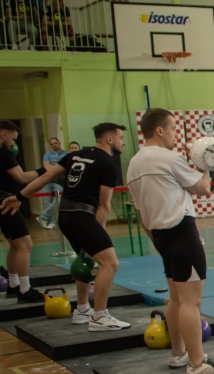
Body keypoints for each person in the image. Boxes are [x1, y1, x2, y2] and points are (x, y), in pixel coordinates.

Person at [127, 109, 214, 374]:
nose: (176, 134)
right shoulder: (168, 158)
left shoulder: (134, 163)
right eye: (173, 128)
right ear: (160, 130)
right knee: (191, 301)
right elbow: (204, 188)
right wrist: (203, 161)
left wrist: (158, 241)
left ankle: (179, 353)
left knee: (175, 297)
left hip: (160, 235)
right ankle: (197, 364)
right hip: (181, 232)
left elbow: (140, 212)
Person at [6, 125, 128, 329]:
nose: (123, 142)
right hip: (83, 217)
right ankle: (99, 316)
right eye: (120, 137)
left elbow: (45, 177)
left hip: (65, 216)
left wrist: (19, 197)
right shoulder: (107, 163)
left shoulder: (75, 155)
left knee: (86, 259)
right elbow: (104, 205)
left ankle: (82, 310)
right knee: (110, 263)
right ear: (109, 139)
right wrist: (98, 235)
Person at [0, 120, 43, 302]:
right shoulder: (3, 153)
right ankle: (25, 290)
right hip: (5, 203)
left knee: (15, 245)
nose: (13, 143)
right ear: (3, 134)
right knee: (25, 245)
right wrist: (46, 171)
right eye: (13, 139)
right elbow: (22, 177)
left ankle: (13, 284)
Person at [37, 136, 64, 229]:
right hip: (47, 181)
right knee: (47, 202)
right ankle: (51, 222)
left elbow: (65, 168)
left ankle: (43, 217)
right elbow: (46, 167)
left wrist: (53, 166)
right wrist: (57, 167)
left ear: (59, 143)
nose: (54, 145)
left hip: (59, 182)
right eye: (52, 144)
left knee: (58, 200)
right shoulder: (47, 154)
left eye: (55, 143)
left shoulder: (65, 154)